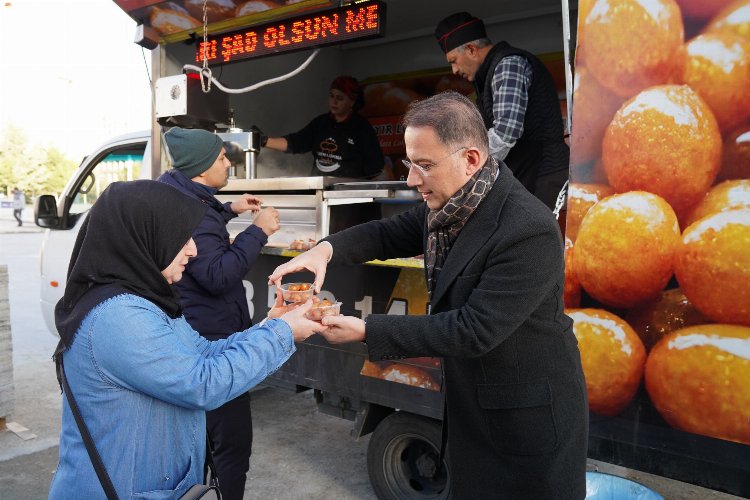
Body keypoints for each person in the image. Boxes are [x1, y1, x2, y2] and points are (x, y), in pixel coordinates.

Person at [269, 92, 588, 498]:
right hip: (474, 404)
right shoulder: (450, 204)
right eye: (409, 163)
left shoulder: (528, 229)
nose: (411, 179)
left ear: (470, 159)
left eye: (424, 165)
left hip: (525, 418)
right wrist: (323, 251)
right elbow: (387, 233)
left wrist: (366, 330)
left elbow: (473, 330)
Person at [49, 180, 322, 499]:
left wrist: (270, 325)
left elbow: (204, 353)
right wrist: (283, 333)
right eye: (183, 238)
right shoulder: (118, 315)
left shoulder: (144, 300)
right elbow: (202, 384)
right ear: (146, 237)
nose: (192, 251)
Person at [157, 126, 280, 500]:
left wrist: (228, 210)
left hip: (192, 329)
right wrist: (258, 231)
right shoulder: (195, 212)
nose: (229, 163)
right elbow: (217, 274)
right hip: (212, 338)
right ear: (201, 167)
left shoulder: (178, 192)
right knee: (231, 443)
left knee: (204, 435)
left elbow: (204, 238)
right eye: (223, 158)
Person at [434, 12, 570, 210]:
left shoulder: (508, 65)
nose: (454, 70)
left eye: (453, 60)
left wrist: (467, 167)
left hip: (545, 172)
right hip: (526, 173)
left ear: (471, 49)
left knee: (537, 238)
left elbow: (506, 132)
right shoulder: (487, 75)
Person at [261, 75, 385, 179]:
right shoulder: (321, 123)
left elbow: (375, 166)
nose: (334, 102)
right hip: (319, 190)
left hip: (348, 196)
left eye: (339, 98)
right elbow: (296, 142)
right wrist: (263, 141)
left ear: (352, 102)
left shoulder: (361, 127)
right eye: (331, 96)